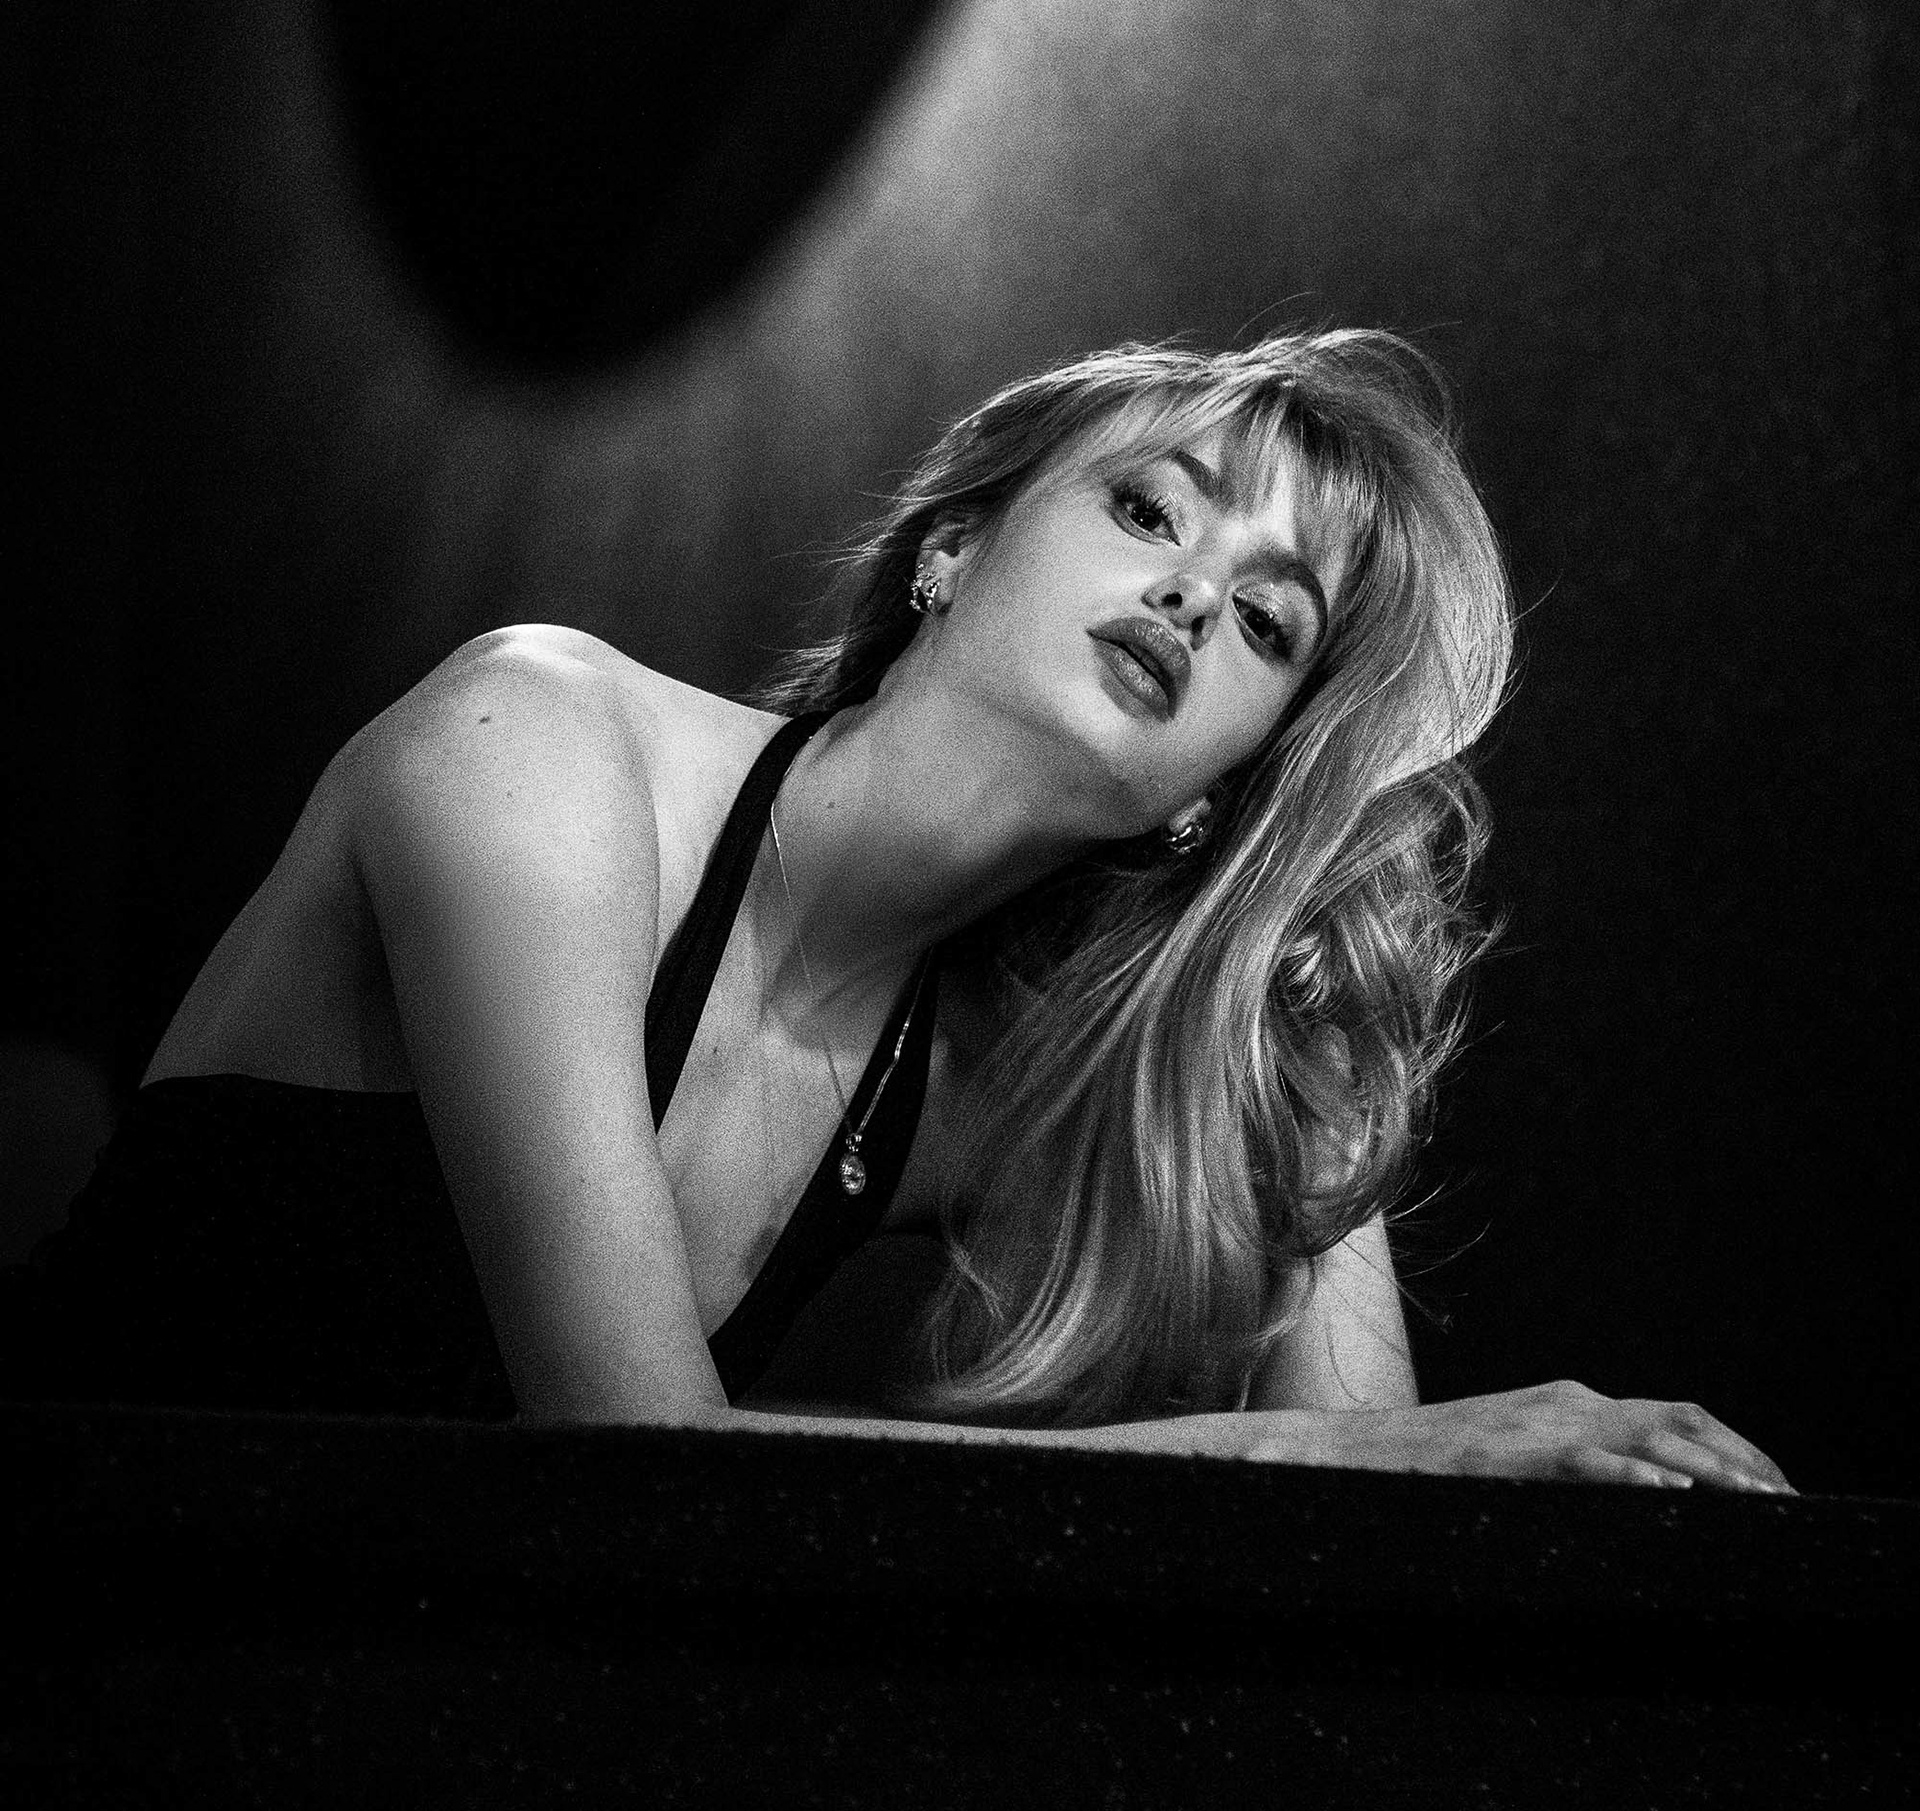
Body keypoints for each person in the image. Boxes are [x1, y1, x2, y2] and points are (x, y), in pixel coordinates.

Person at [18, 331, 1789, 1490]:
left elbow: (1378, 1510)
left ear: (1217, 789)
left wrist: (1287, 972)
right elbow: (633, 1469)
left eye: (1269, 623)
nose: (1192, 592)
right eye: (1147, 508)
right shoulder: (537, 748)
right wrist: (1349, 1462)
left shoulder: (974, 1075)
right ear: (954, 548)